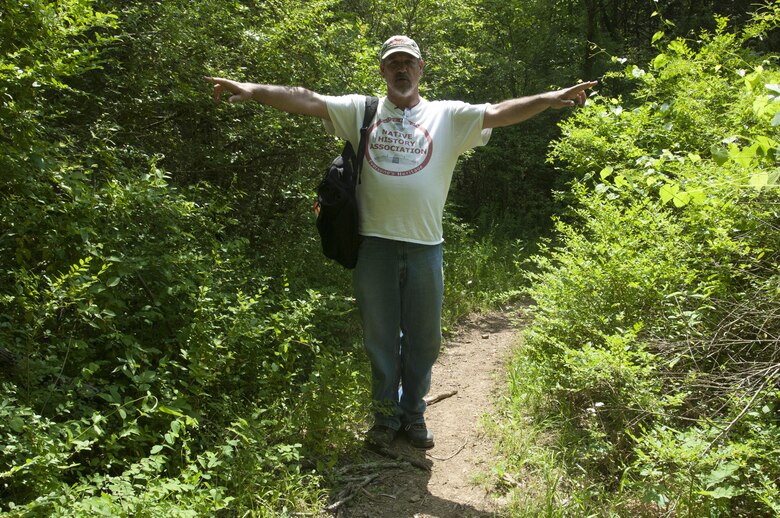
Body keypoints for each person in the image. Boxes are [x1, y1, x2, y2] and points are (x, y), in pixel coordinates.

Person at [206, 35, 596, 450]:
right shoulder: (363, 110)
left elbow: (500, 111)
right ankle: (385, 418)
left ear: (421, 69)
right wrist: (251, 90)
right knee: (380, 337)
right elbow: (307, 99)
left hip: (426, 247)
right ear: (383, 71)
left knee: (425, 339)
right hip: (374, 246)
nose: (401, 70)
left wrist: (551, 97)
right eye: (394, 63)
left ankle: (413, 415)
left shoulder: (448, 116)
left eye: (409, 62)